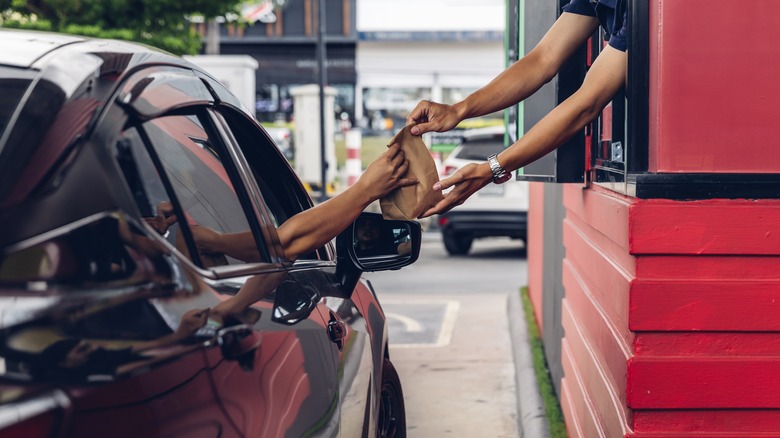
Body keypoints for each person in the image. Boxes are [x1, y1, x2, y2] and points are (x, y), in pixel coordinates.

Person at [408, 0, 628, 217]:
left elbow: (587, 103)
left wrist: (491, 168)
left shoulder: (639, 9)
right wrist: (458, 110)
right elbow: (543, 59)